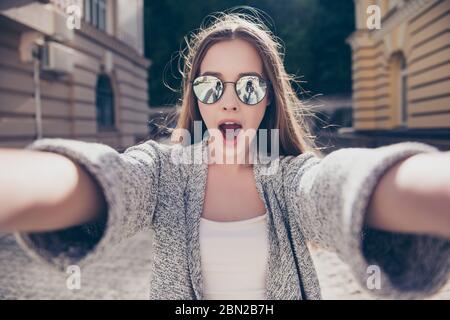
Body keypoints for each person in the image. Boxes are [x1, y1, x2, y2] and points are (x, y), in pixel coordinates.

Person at [0, 9, 449, 300]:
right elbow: (111, 177)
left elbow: (337, 186)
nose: (228, 101)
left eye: (249, 86)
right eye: (211, 85)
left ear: (269, 98)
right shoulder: (163, 170)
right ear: (196, 97)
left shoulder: (289, 177)